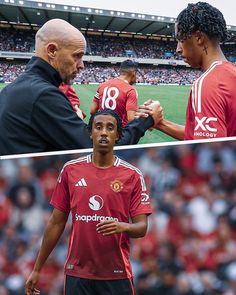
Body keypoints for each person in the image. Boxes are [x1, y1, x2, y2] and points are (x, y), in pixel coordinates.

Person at [25, 109, 152, 295]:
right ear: (90, 133)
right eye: (98, 127)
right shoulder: (70, 170)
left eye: (110, 128)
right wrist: (37, 269)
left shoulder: (132, 175)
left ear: (118, 135)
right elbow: (56, 222)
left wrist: (121, 226)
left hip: (116, 274)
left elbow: (142, 228)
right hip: (77, 273)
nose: (103, 132)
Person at [0, 19, 162, 156]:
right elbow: (99, 151)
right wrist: (146, 119)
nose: (82, 65)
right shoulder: (43, 95)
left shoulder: (12, 89)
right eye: (76, 56)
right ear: (52, 51)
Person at [140, 2, 236, 140]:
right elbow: (203, 137)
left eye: (180, 40)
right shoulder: (232, 74)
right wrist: (160, 123)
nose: (177, 49)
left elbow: (207, 152)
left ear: (199, 38)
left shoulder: (207, 84)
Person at [90, 60, 138, 126]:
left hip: (102, 128)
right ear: (133, 73)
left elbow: (92, 111)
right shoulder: (130, 90)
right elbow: (131, 120)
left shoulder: (102, 85)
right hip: (120, 132)